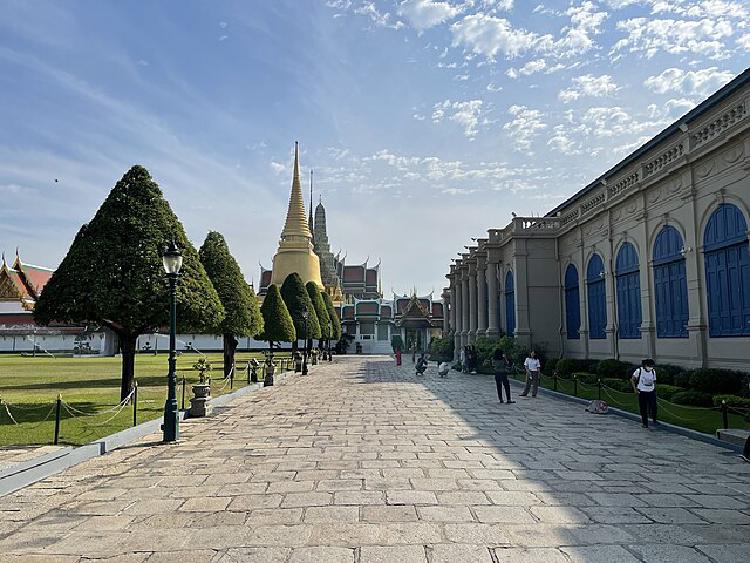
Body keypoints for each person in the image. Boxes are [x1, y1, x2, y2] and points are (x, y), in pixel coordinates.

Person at [632, 358, 657, 428]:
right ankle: (645, 423)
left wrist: (654, 388)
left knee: (654, 406)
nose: (651, 367)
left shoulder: (653, 371)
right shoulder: (639, 371)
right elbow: (632, 379)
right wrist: (635, 389)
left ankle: (654, 419)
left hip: (651, 391)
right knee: (643, 408)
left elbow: (654, 380)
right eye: (650, 366)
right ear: (645, 365)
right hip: (642, 392)